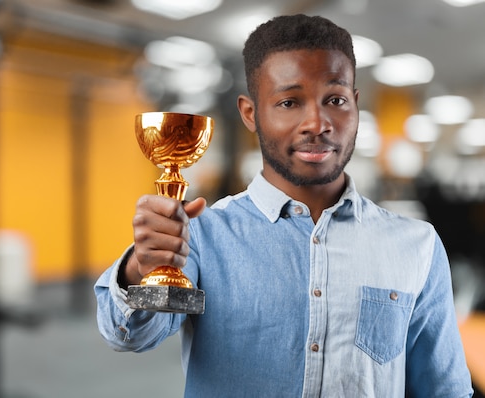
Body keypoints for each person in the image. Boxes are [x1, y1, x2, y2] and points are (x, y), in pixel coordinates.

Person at [94, 14, 474, 397]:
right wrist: (140, 268)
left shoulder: (417, 245)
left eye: (336, 100)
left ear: (356, 106)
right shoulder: (201, 235)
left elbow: (444, 389)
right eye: (289, 102)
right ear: (250, 113)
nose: (317, 122)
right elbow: (131, 335)